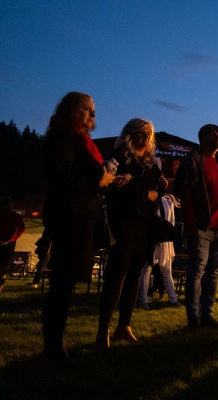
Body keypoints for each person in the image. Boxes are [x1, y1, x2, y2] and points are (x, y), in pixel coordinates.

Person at [40, 92, 115, 363]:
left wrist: (106, 179)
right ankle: (52, 348)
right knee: (62, 282)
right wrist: (99, 181)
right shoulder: (61, 138)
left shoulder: (81, 140)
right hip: (69, 216)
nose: (92, 115)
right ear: (71, 109)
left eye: (94, 110)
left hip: (83, 216)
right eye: (86, 109)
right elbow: (62, 181)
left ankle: (54, 346)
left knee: (67, 281)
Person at [96, 118, 167, 349]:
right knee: (118, 273)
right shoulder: (119, 155)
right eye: (142, 132)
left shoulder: (149, 162)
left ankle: (124, 326)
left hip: (145, 223)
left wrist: (162, 186)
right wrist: (142, 194)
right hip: (124, 221)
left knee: (135, 274)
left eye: (150, 133)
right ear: (130, 134)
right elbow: (110, 183)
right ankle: (103, 328)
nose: (147, 137)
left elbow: (155, 189)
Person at [173, 124, 218, 329]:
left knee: (213, 273)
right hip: (202, 226)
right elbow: (181, 188)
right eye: (213, 134)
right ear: (202, 138)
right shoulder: (193, 160)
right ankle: (193, 317)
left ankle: (207, 315)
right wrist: (192, 220)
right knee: (197, 271)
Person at [138, 194, 183, 309]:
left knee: (166, 270)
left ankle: (173, 299)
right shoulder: (151, 200)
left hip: (165, 239)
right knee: (147, 269)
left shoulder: (168, 201)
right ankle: (143, 300)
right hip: (153, 238)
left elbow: (171, 220)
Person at [0, 195, 26, 293]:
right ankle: (0, 285)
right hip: (9, 244)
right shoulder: (15, 216)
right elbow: (21, 229)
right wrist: (11, 239)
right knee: (4, 266)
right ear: (9, 204)